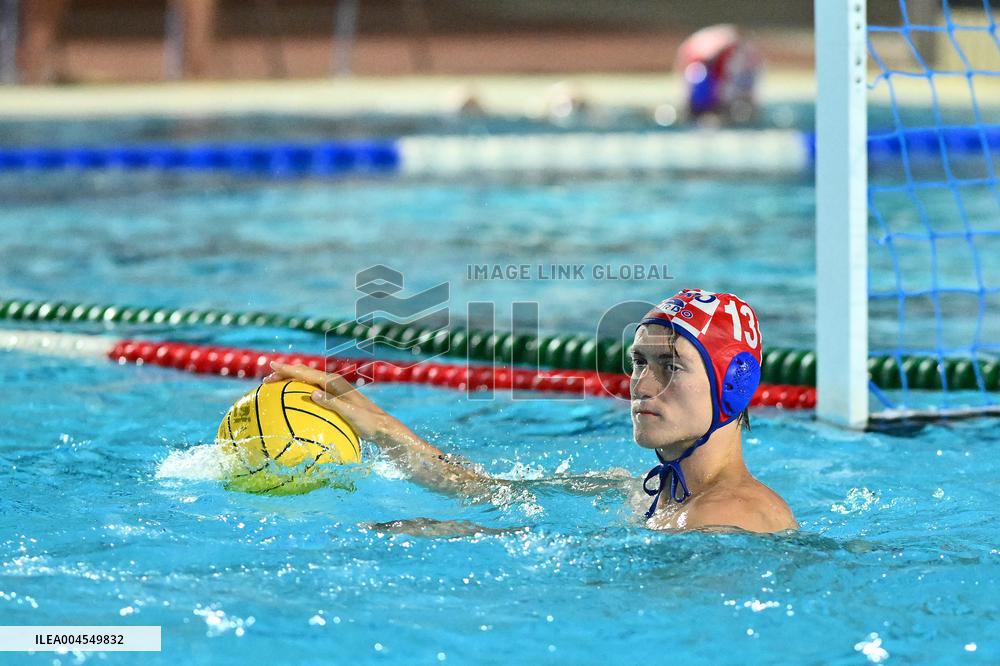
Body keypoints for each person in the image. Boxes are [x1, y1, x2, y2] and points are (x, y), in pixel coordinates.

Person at [263, 288, 796, 534]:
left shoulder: (731, 517)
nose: (640, 385)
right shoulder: (645, 494)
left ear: (734, 386)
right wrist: (373, 420)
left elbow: (625, 595)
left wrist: (473, 538)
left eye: (670, 366)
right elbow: (484, 489)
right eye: (637, 362)